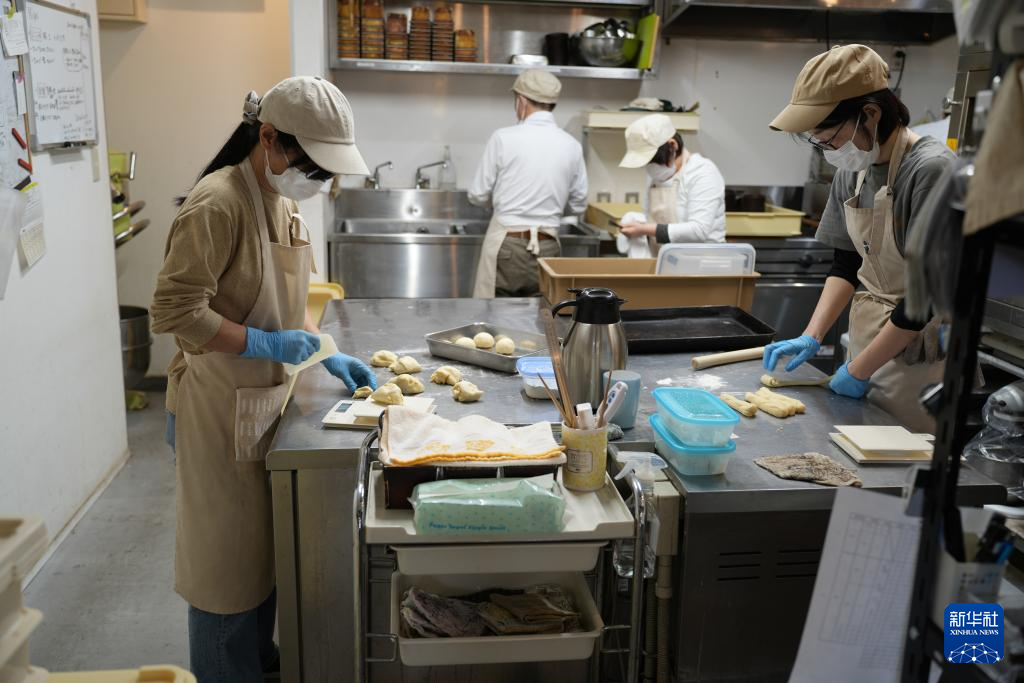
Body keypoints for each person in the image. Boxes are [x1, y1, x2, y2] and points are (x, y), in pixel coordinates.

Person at [150, 76, 377, 681]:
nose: (318, 182)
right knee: (225, 569)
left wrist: (325, 351)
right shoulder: (218, 203)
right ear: (270, 138)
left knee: (263, 555)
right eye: (314, 168)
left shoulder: (282, 201)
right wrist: (261, 343)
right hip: (216, 410)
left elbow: (289, 300)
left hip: (264, 404)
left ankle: (259, 664)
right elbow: (174, 311)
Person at [765, 44, 953, 433]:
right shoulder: (852, 171)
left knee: (900, 459)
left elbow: (923, 299)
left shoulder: (931, 171)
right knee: (853, 451)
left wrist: (859, 370)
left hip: (919, 352)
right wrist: (812, 335)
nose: (827, 151)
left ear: (870, 113)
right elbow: (847, 262)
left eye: (829, 139)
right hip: (868, 340)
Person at [469, 70, 588, 298]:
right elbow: (579, 204)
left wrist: (499, 202)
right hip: (548, 247)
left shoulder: (503, 137)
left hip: (508, 244)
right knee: (542, 315)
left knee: (498, 314)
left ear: (521, 101)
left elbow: (477, 194)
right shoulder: (571, 145)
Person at [616, 113, 726, 254]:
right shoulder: (655, 176)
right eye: (647, 163)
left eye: (654, 161)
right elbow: (649, 216)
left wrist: (644, 229)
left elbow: (699, 230)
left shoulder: (702, 172)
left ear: (673, 146)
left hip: (703, 260)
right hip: (666, 259)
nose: (651, 168)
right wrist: (636, 223)